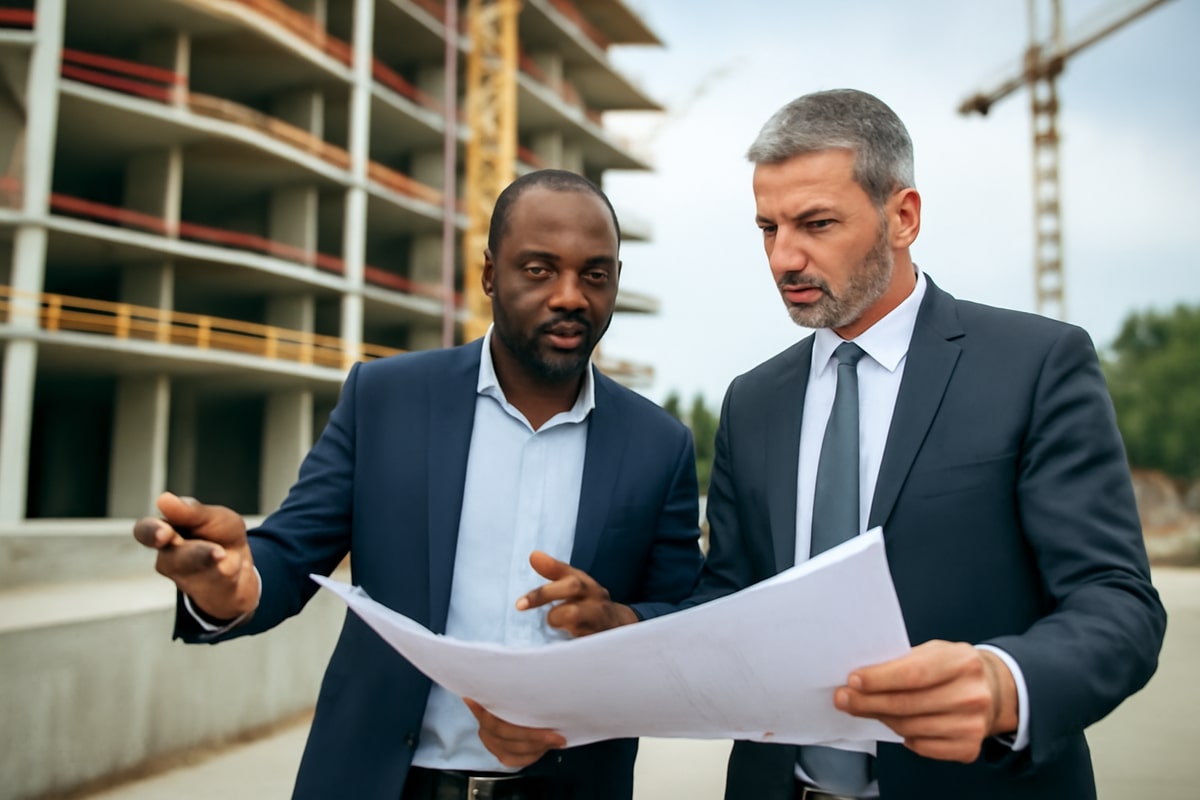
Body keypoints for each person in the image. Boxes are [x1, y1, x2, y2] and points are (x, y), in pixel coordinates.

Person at [494, 90, 1167, 799]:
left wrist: (1008, 684)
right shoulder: (753, 403)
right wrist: (625, 626)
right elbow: (730, 600)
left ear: (902, 217)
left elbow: (1117, 601)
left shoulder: (1034, 365)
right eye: (767, 227)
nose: (784, 257)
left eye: (816, 224)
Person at [132, 168, 703, 800]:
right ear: (490, 273)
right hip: (382, 783)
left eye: (593, 274)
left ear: (616, 280)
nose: (570, 295)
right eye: (539, 269)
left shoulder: (660, 445)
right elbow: (291, 553)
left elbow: (683, 624)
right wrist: (233, 583)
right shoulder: (385, 398)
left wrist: (620, 621)